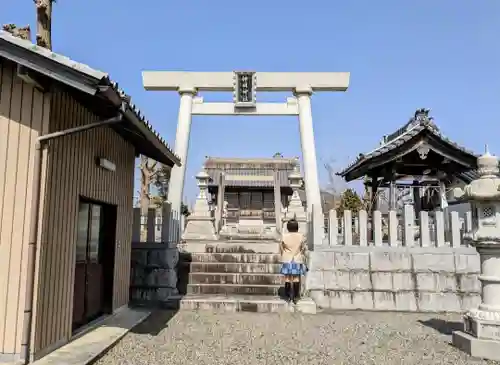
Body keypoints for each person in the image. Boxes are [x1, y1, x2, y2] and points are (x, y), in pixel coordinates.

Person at [279, 219, 308, 304]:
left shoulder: (284, 236)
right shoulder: (301, 236)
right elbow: (303, 248)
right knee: (296, 278)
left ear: (288, 227)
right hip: (297, 258)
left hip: (287, 258)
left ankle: (287, 296)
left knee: (287, 277)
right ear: (297, 227)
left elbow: (281, 248)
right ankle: (295, 296)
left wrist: (283, 254)